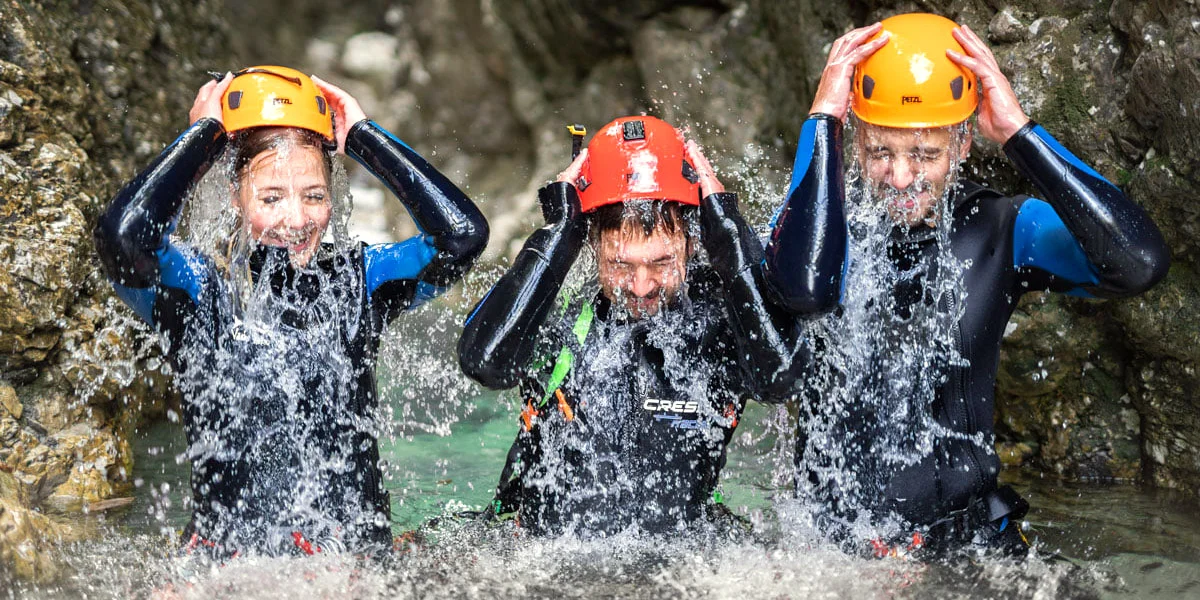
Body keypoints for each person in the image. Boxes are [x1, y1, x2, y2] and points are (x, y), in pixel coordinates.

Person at [766, 13, 1170, 557]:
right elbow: (805, 292)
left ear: (960, 146)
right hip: (839, 556)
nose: (901, 178)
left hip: (964, 542)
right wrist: (822, 122)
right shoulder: (814, 230)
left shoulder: (1002, 229)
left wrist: (1019, 135)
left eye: (925, 154)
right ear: (855, 139)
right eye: (880, 152)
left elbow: (1139, 262)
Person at [93, 66, 488, 557]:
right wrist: (203, 139)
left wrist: (364, 138)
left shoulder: (358, 283)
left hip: (354, 566)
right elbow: (123, 238)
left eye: (315, 195)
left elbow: (461, 238)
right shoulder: (197, 294)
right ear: (235, 196)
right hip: (230, 570)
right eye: (272, 197)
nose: (298, 220)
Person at [457, 116, 837, 536]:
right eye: (620, 264)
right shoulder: (555, 311)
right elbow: (485, 361)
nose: (640, 287)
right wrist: (559, 234)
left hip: (677, 561)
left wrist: (727, 231)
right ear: (592, 242)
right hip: (546, 553)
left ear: (693, 241)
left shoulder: (725, 319)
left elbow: (782, 378)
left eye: (660, 263)